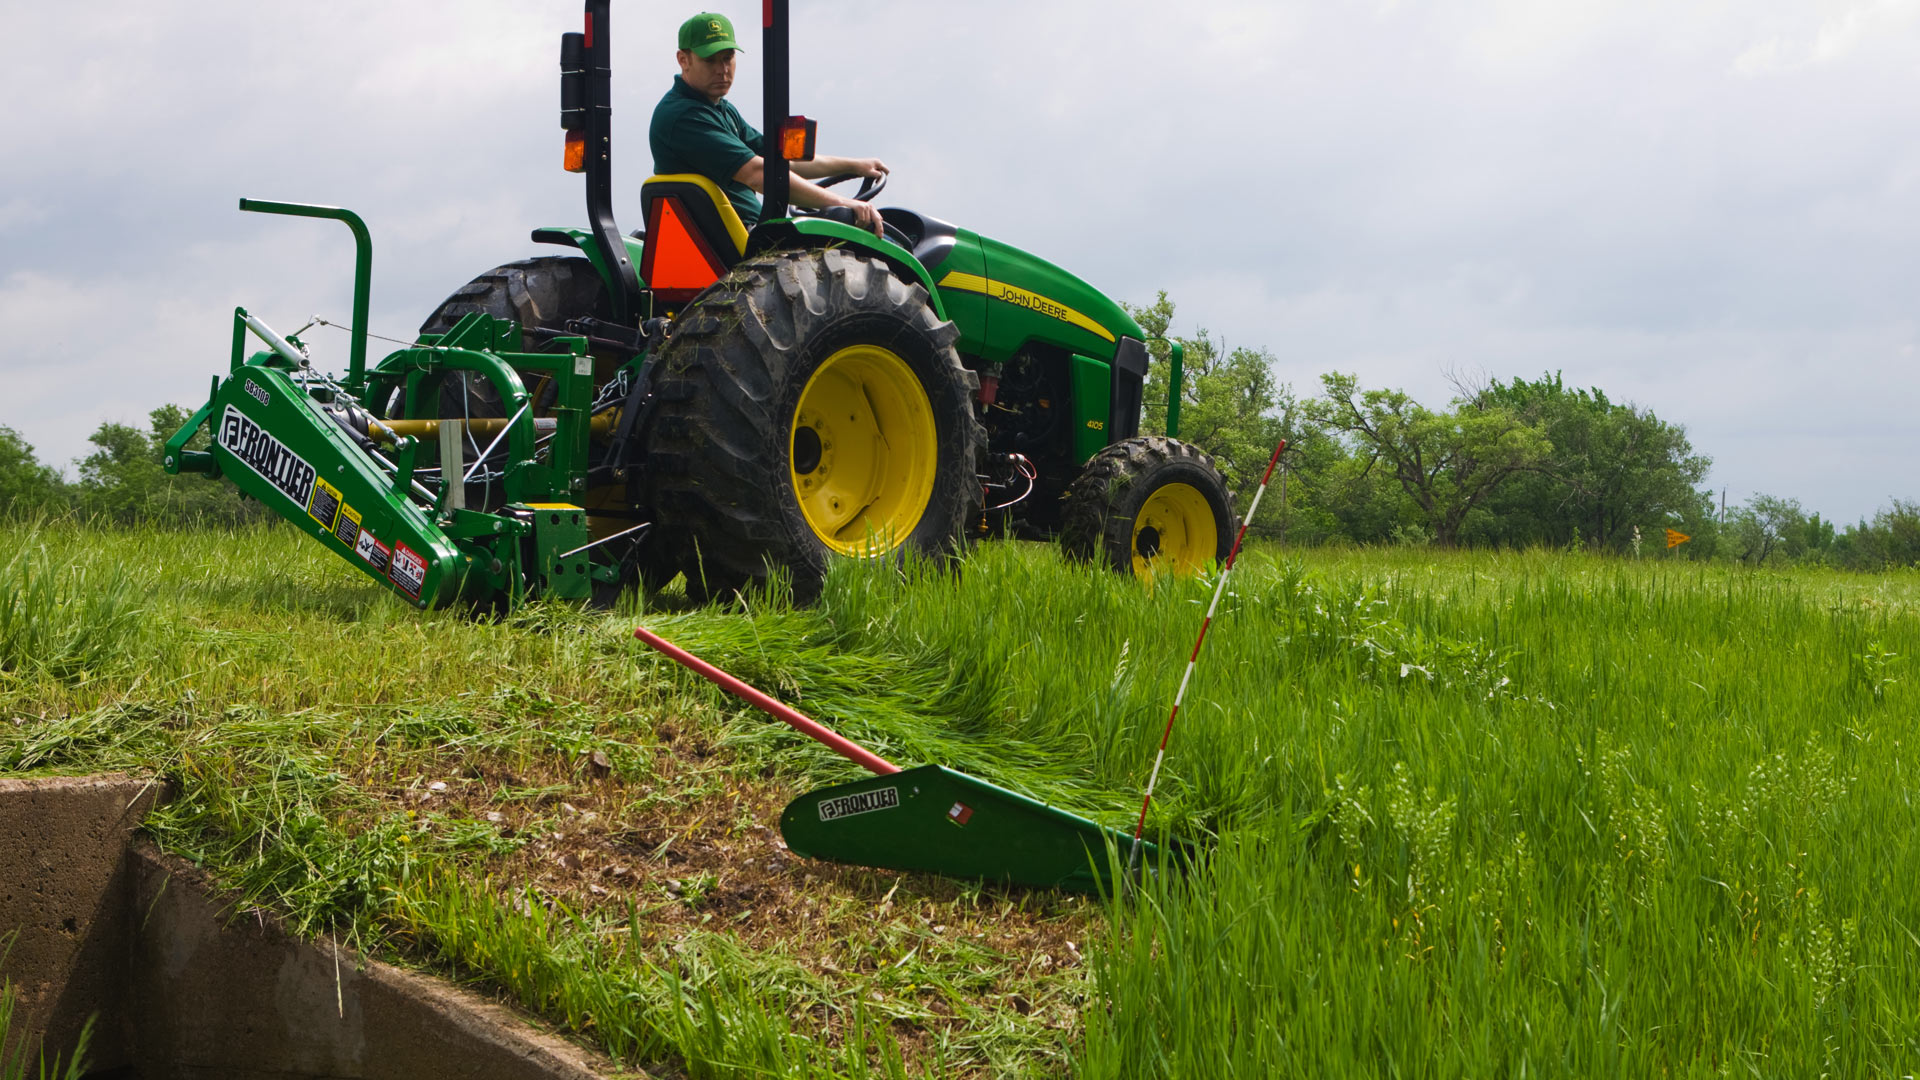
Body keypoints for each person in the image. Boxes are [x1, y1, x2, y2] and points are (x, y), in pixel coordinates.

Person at [649, 12, 889, 237]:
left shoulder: (720, 108)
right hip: (726, 244)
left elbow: (780, 161)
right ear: (684, 60)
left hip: (744, 236)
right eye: (710, 60)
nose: (722, 70)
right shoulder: (683, 116)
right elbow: (758, 174)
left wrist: (854, 166)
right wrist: (842, 203)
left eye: (727, 58)